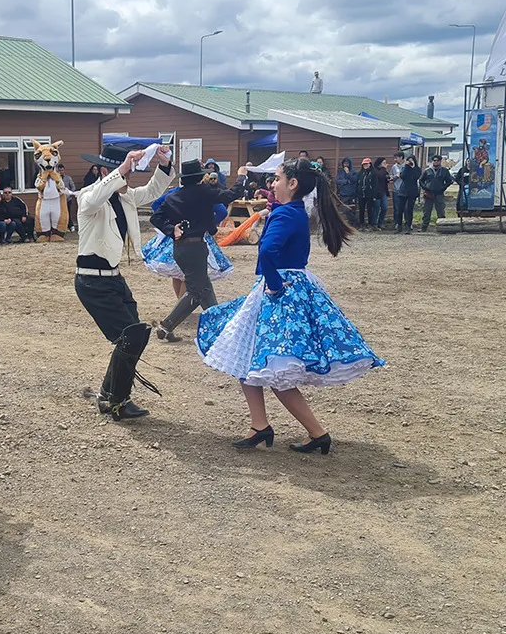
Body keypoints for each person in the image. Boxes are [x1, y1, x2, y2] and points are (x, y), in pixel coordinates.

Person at [197, 158, 382, 454]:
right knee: (246, 357)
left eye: (277, 178)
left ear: (293, 184)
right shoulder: (294, 212)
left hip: (279, 293)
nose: (272, 183)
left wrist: (273, 283)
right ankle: (261, 425)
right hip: (287, 287)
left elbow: (268, 251)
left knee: (274, 368)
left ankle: (315, 432)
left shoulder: (286, 213)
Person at [75, 143, 174, 421]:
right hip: (91, 282)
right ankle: (116, 400)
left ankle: (110, 394)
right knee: (130, 336)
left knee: (136, 335)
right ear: (105, 171)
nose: (128, 178)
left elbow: (153, 190)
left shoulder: (126, 197)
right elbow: (95, 198)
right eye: (125, 172)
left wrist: (164, 164)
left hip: (114, 278)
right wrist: (121, 169)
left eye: (129, 172)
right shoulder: (88, 196)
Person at [150, 160, 245, 342]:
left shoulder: (173, 196)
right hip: (196, 248)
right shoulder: (204, 192)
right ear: (199, 178)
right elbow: (232, 194)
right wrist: (242, 176)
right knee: (196, 291)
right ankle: (166, 326)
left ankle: (220, 328)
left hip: (180, 249)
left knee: (204, 288)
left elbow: (155, 217)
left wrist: (171, 229)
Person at [417, 155, 453, 231]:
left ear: (440, 161)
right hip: (429, 194)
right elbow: (421, 180)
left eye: (437, 160)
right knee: (426, 211)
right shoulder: (427, 170)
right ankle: (424, 227)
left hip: (439, 194)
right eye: (434, 160)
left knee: (441, 211)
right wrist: (425, 188)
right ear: (432, 161)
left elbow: (449, 181)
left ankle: (442, 228)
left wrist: (443, 188)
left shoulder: (444, 171)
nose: (436, 162)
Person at [392, 153, 420, 234]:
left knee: (408, 210)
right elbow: (403, 176)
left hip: (412, 191)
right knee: (399, 209)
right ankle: (399, 226)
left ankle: (408, 227)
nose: (410, 162)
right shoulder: (405, 168)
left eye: (411, 160)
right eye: (408, 160)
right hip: (403, 191)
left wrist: (413, 167)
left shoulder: (417, 169)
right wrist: (407, 167)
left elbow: (416, 177)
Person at [355, 158, 379, 230]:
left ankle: (370, 224)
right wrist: (357, 192)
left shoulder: (373, 173)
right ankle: (361, 224)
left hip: (370, 194)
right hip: (361, 194)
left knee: (369, 210)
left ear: (370, 164)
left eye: (366, 164)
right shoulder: (360, 173)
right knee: (361, 209)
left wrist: (374, 195)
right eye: (364, 164)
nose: (365, 165)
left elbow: (375, 184)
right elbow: (357, 183)